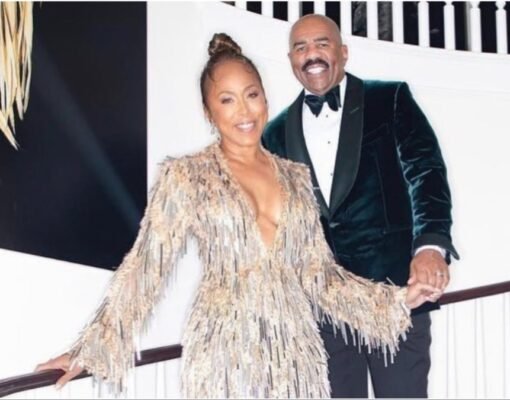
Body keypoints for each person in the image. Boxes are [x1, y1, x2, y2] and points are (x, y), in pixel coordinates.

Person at [34, 33, 440, 399]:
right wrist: (92, 347)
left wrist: (396, 301)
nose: (244, 111)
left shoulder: (296, 179)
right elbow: (145, 267)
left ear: (265, 99)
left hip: (295, 356)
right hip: (226, 356)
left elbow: (320, 275)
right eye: (226, 100)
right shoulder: (187, 176)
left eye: (251, 94)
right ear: (209, 111)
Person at [262, 15, 459, 398]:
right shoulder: (275, 133)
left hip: (395, 294)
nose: (311, 54)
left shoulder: (390, 99)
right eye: (301, 48)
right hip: (324, 309)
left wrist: (430, 247)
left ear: (343, 52)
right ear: (291, 60)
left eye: (321, 43)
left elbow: (426, 173)